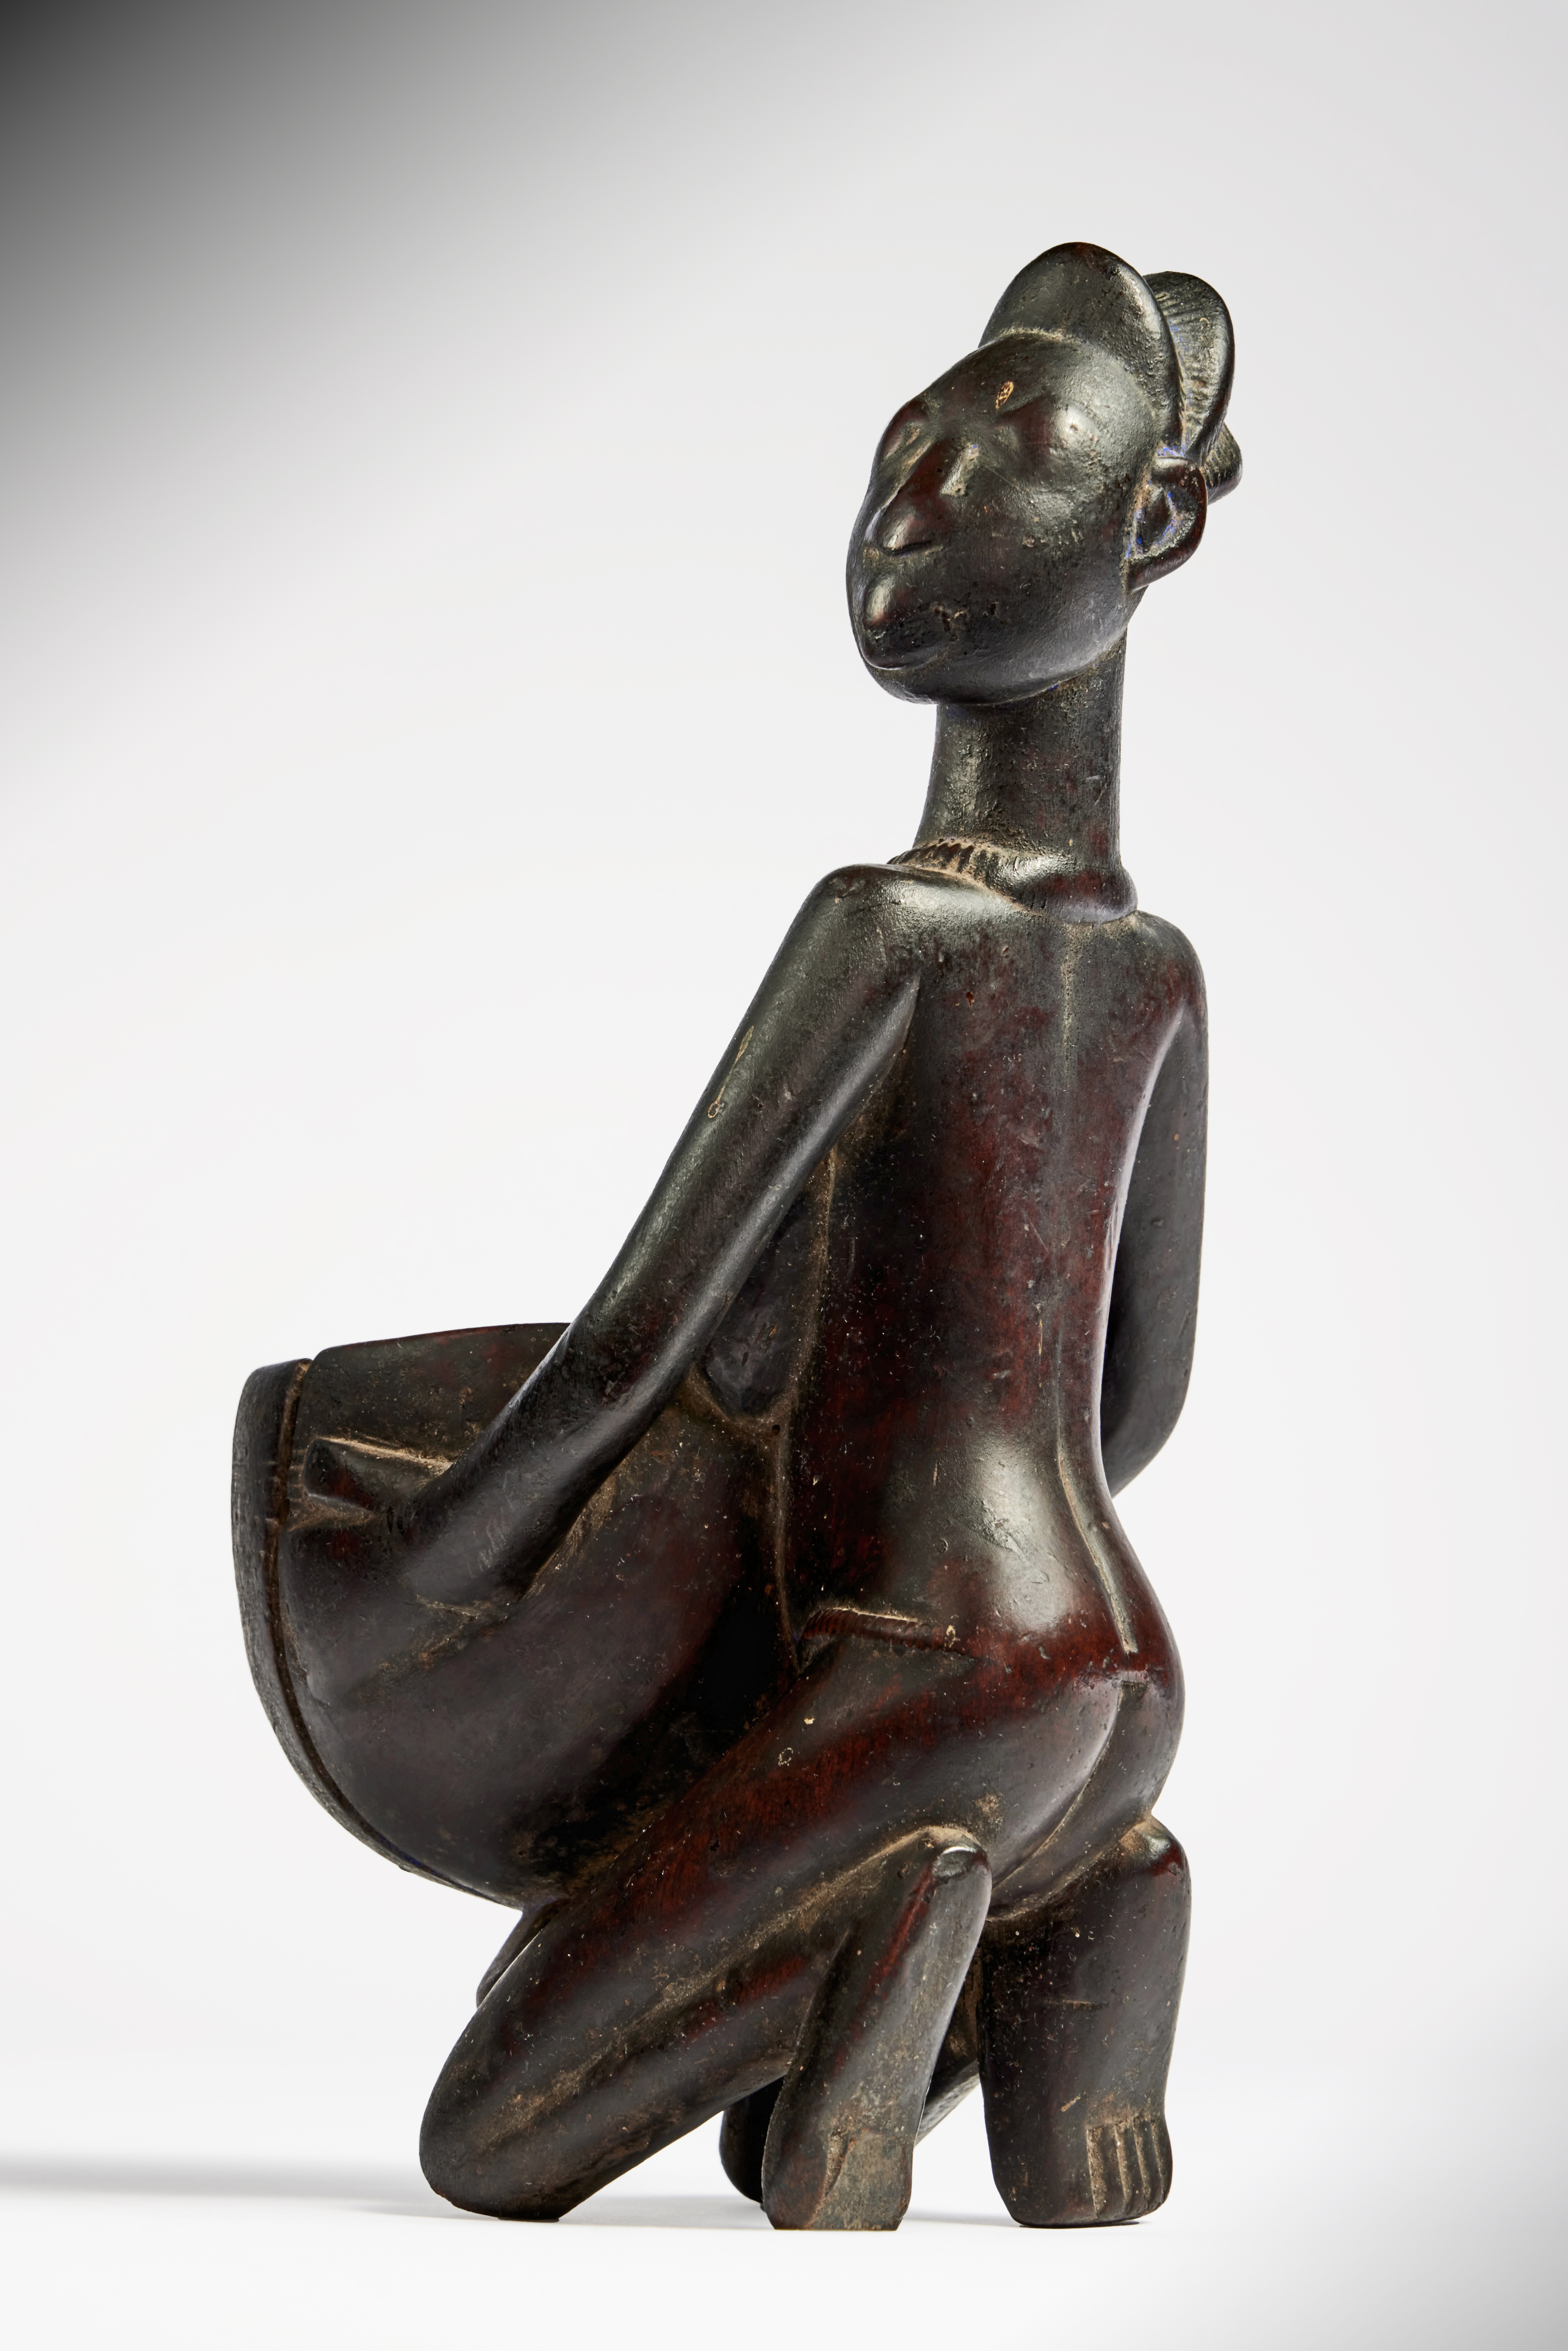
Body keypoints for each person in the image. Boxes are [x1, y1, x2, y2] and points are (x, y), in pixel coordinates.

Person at [239, 242, 1239, 2229]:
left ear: (1153, 530)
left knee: (494, 2131)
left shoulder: (890, 929)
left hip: (935, 1663)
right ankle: (1079, 1890)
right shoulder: (1152, 970)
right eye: (908, 450)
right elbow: (1136, 1401)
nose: (920, 494)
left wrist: (437, 1569)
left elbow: (633, 1349)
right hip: (1118, 1655)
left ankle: (936, 1889)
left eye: (1011, 444)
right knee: (731, 2032)